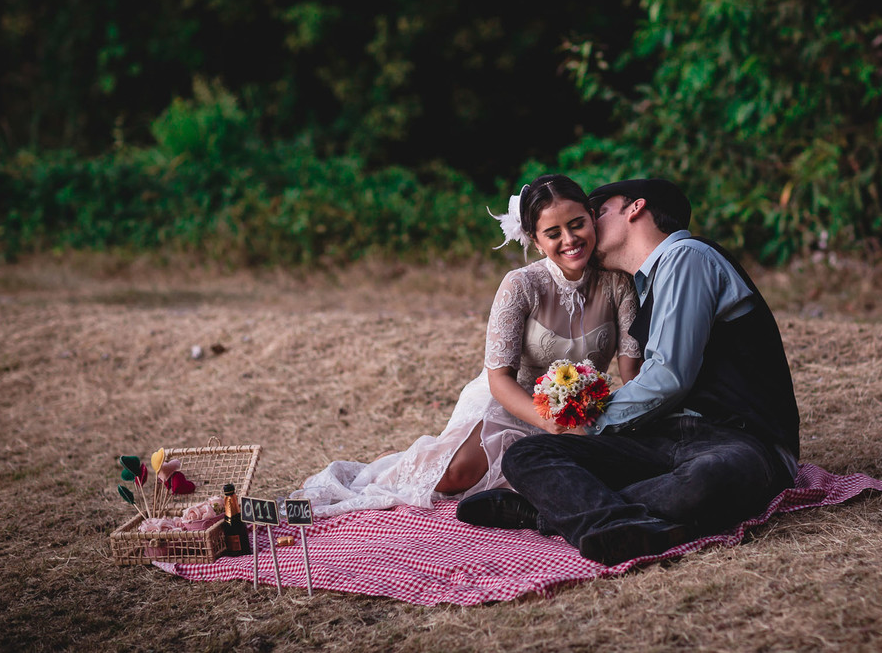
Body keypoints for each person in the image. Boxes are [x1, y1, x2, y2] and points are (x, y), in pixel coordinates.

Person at [457, 178, 800, 566]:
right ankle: (616, 519)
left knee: (711, 476)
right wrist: (577, 430)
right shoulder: (642, 283)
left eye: (597, 212)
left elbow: (669, 377)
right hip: (670, 434)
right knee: (528, 453)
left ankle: (550, 516)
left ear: (634, 208)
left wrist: (589, 424)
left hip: (739, 438)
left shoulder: (687, 257)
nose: (587, 225)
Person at [291, 174, 641, 517]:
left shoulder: (618, 284)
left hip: (580, 414)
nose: (570, 239)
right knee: (455, 476)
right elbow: (499, 378)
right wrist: (546, 422)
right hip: (510, 403)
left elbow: (631, 372)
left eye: (577, 224)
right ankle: (401, 461)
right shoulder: (520, 284)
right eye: (553, 233)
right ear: (536, 241)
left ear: (592, 218)